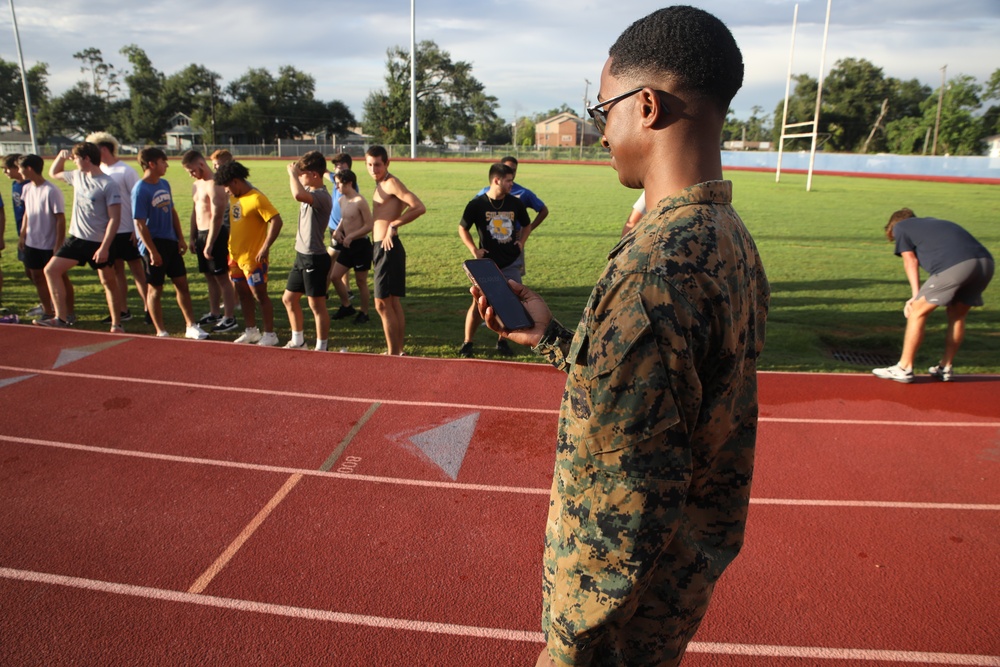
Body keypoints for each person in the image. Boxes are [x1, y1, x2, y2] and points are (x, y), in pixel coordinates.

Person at [471, 8, 769, 666]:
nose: (601, 130)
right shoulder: (729, 238)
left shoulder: (654, 268)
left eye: (603, 108)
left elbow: (627, 493)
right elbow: (671, 398)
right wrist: (552, 337)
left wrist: (571, 640)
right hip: (676, 587)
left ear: (647, 106)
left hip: (619, 619)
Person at [872, 208, 994, 383]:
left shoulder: (901, 227)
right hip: (985, 264)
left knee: (917, 312)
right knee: (957, 316)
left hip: (957, 265)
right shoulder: (933, 224)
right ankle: (946, 367)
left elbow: (910, 261)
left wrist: (915, 296)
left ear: (892, 226)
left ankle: (904, 368)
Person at [39, 143, 124, 330]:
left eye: (76, 158)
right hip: (77, 239)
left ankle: (116, 323)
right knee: (50, 270)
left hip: (99, 242)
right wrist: (61, 157)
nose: (73, 161)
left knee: (108, 282)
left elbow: (114, 219)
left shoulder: (108, 184)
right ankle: (60, 318)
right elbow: (54, 173)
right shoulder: (77, 176)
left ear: (87, 159)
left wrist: (104, 247)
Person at [130, 148, 208, 340]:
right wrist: (152, 251)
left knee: (182, 284)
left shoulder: (164, 183)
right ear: (151, 164)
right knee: (155, 288)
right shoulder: (140, 189)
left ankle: (191, 325)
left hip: (170, 241)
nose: (167, 165)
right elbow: (139, 223)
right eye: (163, 162)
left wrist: (180, 238)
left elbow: (171, 211)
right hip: (153, 244)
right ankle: (161, 330)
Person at [459, 162, 530, 358]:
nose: (511, 185)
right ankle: (468, 343)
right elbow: (462, 227)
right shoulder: (477, 204)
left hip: (511, 262)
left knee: (510, 302)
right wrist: (474, 249)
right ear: (496, 180)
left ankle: (503, 341)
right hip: (487, 264)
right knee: (478, 302)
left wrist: (521, 241)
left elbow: (527, 224)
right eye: (508, 181)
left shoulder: (515, 203)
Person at [214, 160, 283, 346]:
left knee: (259, 296)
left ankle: (270, 334)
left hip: (254, 259)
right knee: (243, 295)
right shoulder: (235, 198)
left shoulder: (257, 198)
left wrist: (265, 247)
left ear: (236, 181)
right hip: (235, 257)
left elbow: (276, 220)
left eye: (227, 185)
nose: (226, 190)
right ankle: (251, 331)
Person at [366, 145, 426, 355]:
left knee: (382, 304)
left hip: (388, 247)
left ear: (387, 163)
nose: (374, 169)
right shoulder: (380, 184)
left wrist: (394, 224)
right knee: (391, 303)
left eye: (378, 165)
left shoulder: (391, 183)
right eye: (370, 165)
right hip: (381, 247)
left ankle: (393, 354)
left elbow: (418, 206)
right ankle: (398, 352)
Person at [86, 132, 149, 324]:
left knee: (138, 270)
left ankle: (149, 308)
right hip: (109, 232)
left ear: (103, 149)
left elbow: (137, 198)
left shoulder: (125, 171)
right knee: (116, 272)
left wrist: (135, 229)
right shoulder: (97, 171)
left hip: (127, 230)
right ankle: (122, 310)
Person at [181, 150, 239, 333]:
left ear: (200, 164)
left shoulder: (216, 184)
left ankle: (229, 317)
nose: (191, 174)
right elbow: (194, 212)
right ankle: (214, 312)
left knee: (222, 277)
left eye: (191, 170)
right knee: (209, 276)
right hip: (201, 234)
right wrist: (192, 237)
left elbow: (217, 215)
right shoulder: (196, 185)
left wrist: (210, 242)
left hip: (215, 234)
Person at [281, 151, 333, 350]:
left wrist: (293, 174)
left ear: (314, 175)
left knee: (316, 306)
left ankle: (322, 346)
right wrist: (297, 173)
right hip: (301, 256)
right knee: (289, 299)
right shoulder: (310, 190)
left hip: (315, 258)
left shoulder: (321, 197)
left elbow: (297, 194)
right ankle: (298, 340)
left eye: (303, 174)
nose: (300, 177)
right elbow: (299, 190)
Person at [476, 156, 548, 275]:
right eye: (508, 168)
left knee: (513, 276)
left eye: (514, 170)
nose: (512, 172)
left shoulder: (522, 193)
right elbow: (473, 213)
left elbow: (543, 210)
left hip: (513, 241)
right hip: (491, 241)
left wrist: (528, 229)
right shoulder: (485, 192)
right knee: (489, 274)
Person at [17, 154, 68, 322]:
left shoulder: (51, 190)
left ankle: (68, 312)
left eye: (21, 168)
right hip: (33, 242)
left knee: (60, 277)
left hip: (49, 243)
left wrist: (58, 243)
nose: (19, 171)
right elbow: (27, 213)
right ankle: (47, 311)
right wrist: (23, 235)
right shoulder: (26, 188)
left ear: (29, 168)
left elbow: (60, 218)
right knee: (37, 276)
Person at [328, 168, 374, 325]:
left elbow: (369, 225)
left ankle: (364, 313)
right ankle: (347, 306)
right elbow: (344, 219)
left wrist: (352, 236)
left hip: (361, 246)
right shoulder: (342, 200)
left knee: (361, 281)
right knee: (334, 276)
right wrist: (338, 231)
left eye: (338, 184)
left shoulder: (360, 201)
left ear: (349, 183)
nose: (336, 187)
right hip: (347, 245)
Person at [2, 153, 38, 315]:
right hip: (21, 233)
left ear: (18, 168)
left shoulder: (30, 185)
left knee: (36, 270)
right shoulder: (15, 185)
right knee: (28, 270)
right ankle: (45, 298)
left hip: (33, 234)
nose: (4, 173)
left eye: (6, 169)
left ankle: (50, 301)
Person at [323, 152, 354, 294]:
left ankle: (323, 291)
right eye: (335, 166)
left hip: (341, 229)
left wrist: (340, 229)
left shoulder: (349, 185)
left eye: (340, 165)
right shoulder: (337, 179)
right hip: (333, 226)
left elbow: (348, 210)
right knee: (342, 258)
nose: (337, 167)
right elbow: (324, 172)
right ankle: (346, 289)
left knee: (330, 260)